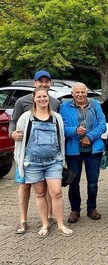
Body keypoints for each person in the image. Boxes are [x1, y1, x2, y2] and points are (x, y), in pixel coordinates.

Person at [13, 87, 73, 237]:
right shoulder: (26, 117)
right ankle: (45, 224)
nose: (42, 99)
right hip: (32, 163)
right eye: (39, 97)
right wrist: (14, 137)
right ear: (34, 99)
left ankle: (60, 224)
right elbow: (18, 138)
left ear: (49, 98)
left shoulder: (56, 117)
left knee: (57, 192)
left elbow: (61, 139)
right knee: (39, 194)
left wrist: (61, 159)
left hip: (53, 162)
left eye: (44, 97)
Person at [9, 70, 60, 235]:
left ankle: (49, 218)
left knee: (48, 187)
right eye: (41, 81)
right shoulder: (22, 102)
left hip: (48, 155)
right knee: (24, 187)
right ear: (35, 83)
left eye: (47, 81)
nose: (44, 84)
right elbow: (13, 123)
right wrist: (13, 134)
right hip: (27, 155)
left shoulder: (55, 102)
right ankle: (23, 220)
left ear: (50, 83)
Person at [60, 82, 107, 223]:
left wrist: (89, 137)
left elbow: (102, 125)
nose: (80, 95)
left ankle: (92, 208)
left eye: (83, 92)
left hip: (93, 149)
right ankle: (75, 210)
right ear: (72, 93)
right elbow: (62, 127)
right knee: (73, 181)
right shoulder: (64, 107)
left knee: (93, 181)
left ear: (86, 93)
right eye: (77, 92)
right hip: (73, 150)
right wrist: (75, 130)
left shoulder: (95, 105)